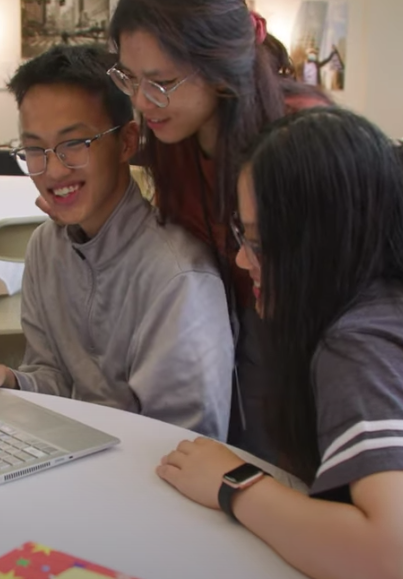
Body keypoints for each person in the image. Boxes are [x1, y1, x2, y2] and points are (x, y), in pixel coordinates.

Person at [69, 0, 331, 461]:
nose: (141, 102)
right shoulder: (172, 133)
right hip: (225, 322)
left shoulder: (302, 134)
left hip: (308, 335)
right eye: (130, 77)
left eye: (162, 82)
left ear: (220, 67)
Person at [0, 46, 234, 440]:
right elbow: (55, 381)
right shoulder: (46, 246)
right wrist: (4, 377)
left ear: (126, 142)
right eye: (34, 149)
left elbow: (186, 443)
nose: (53, 170)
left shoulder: (177, 276)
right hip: (72, 453)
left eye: (74, 144)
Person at [156, 107, 403, 579]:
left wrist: (235, 484)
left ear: (324, 242)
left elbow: (389, 554)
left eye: (259, 243)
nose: (242, 260)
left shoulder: (357, 346)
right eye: (241, 234)